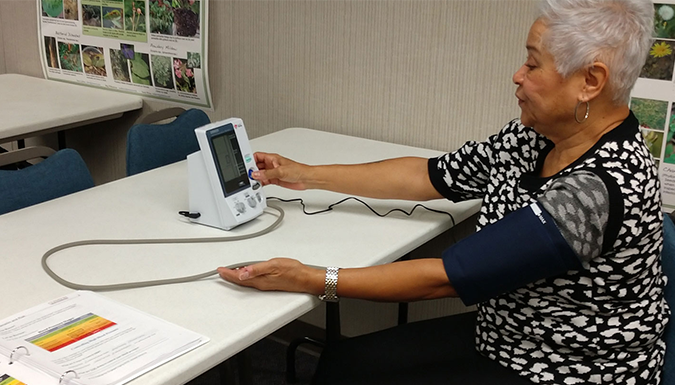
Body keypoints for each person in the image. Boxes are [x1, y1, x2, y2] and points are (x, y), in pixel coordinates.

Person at [218, 0, 668, 383]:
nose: (517, 75)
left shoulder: (597, 188)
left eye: (533, 63)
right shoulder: (538, 135)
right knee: (347, 364)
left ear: (590, 81)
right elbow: (431, 176)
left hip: (569, 367)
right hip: (508, 333)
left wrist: (313, 279)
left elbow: (447, 278)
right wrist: (305, 173)